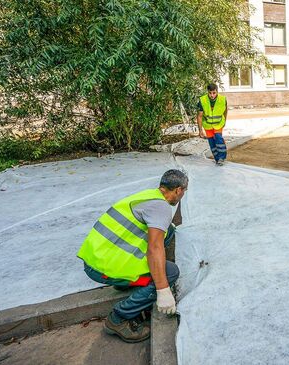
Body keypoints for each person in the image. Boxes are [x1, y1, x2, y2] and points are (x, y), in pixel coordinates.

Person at [77, 169, 188, 343]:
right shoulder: (162, 208)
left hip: (97, 256)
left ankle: (125, 284)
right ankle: (119, 318)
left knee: (169, 231)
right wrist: (163, 289)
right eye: (184, 192)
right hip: (103, 267)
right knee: (171, 272)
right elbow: (154, 248)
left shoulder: (149, 196)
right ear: (179, 190)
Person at [197, 83, 228, 166]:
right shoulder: (202, 100)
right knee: (212, 143)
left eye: (214, 93)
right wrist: (200, 131)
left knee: (218, 138)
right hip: (207, 125)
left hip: (218, 124)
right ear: (208, 92)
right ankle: (217, 159)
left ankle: (222, 157)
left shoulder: (222, 99)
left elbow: (225, 111)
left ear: (217, 91)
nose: (212, 95)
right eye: (210, 93)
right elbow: (199, 116)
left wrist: (224, 121)